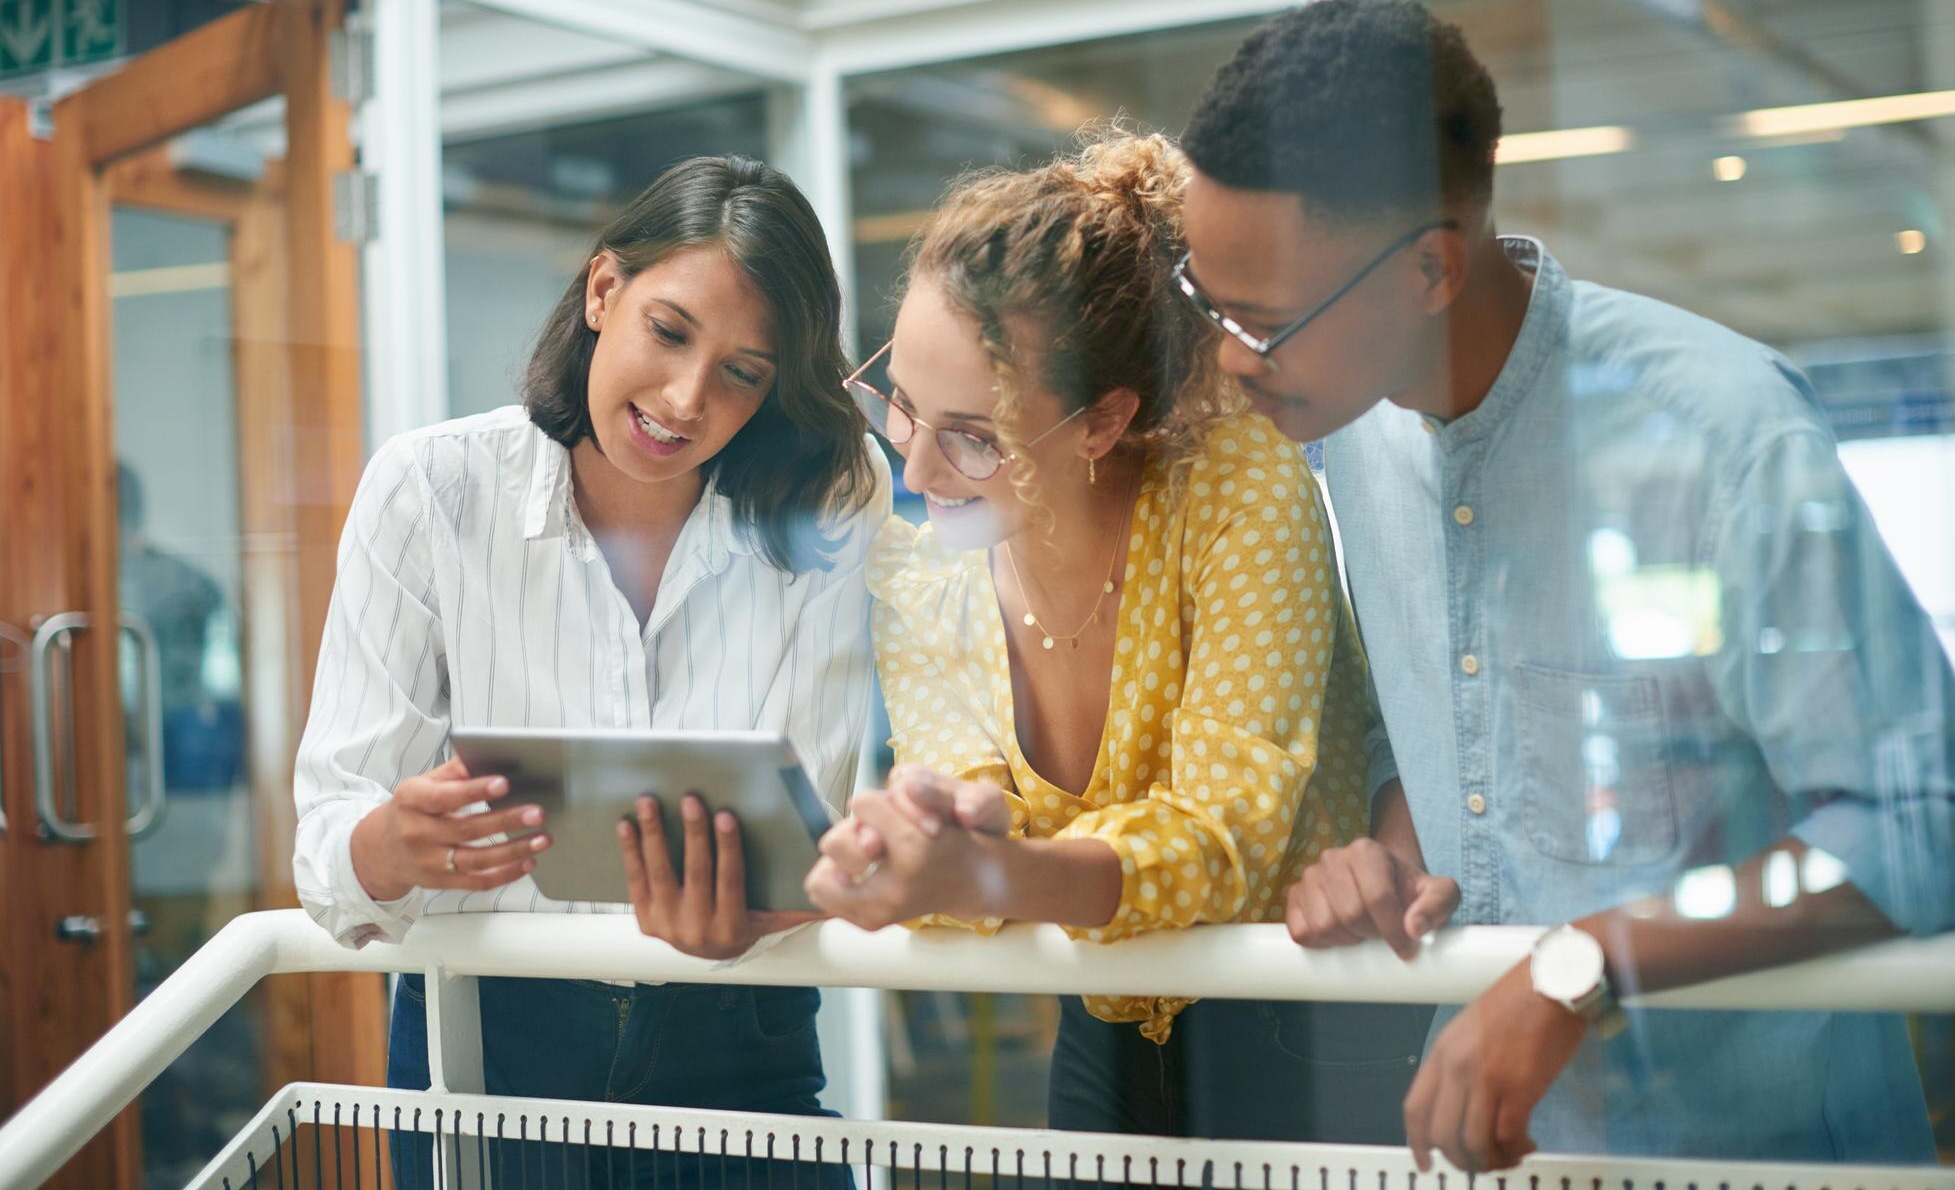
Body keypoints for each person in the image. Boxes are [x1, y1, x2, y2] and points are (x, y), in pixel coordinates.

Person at [1172, 0, 1955, 1171]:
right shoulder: (1347, 433)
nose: (1223, 356)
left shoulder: (1720, 435)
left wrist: (1580, 966)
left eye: (1260, 321)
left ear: (1425, 271)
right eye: (1204, 300)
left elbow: (1928, 821)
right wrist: (1389, 849)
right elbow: (1439, 741)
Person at [806, 131, 1426, 1143]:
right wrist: (923, 841)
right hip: (1101, 1010)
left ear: (1102, 421)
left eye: (973, 436)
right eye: (900, 410)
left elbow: (1228, 836)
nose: (916, 475)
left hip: (1299, 1008)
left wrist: (994, 872)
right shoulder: (921, 569)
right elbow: (969, 824)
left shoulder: (1235, 489)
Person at [292, 155, 889, 1189]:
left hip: (738, 1036)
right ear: (603, 290)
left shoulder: (831, 494)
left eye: (743, 372)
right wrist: (391, 842)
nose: (685, 397)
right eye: (668, 330)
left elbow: (811, 817)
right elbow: (326, 843)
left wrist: (768, 895)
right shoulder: (429, 488)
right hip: (485, 1040)